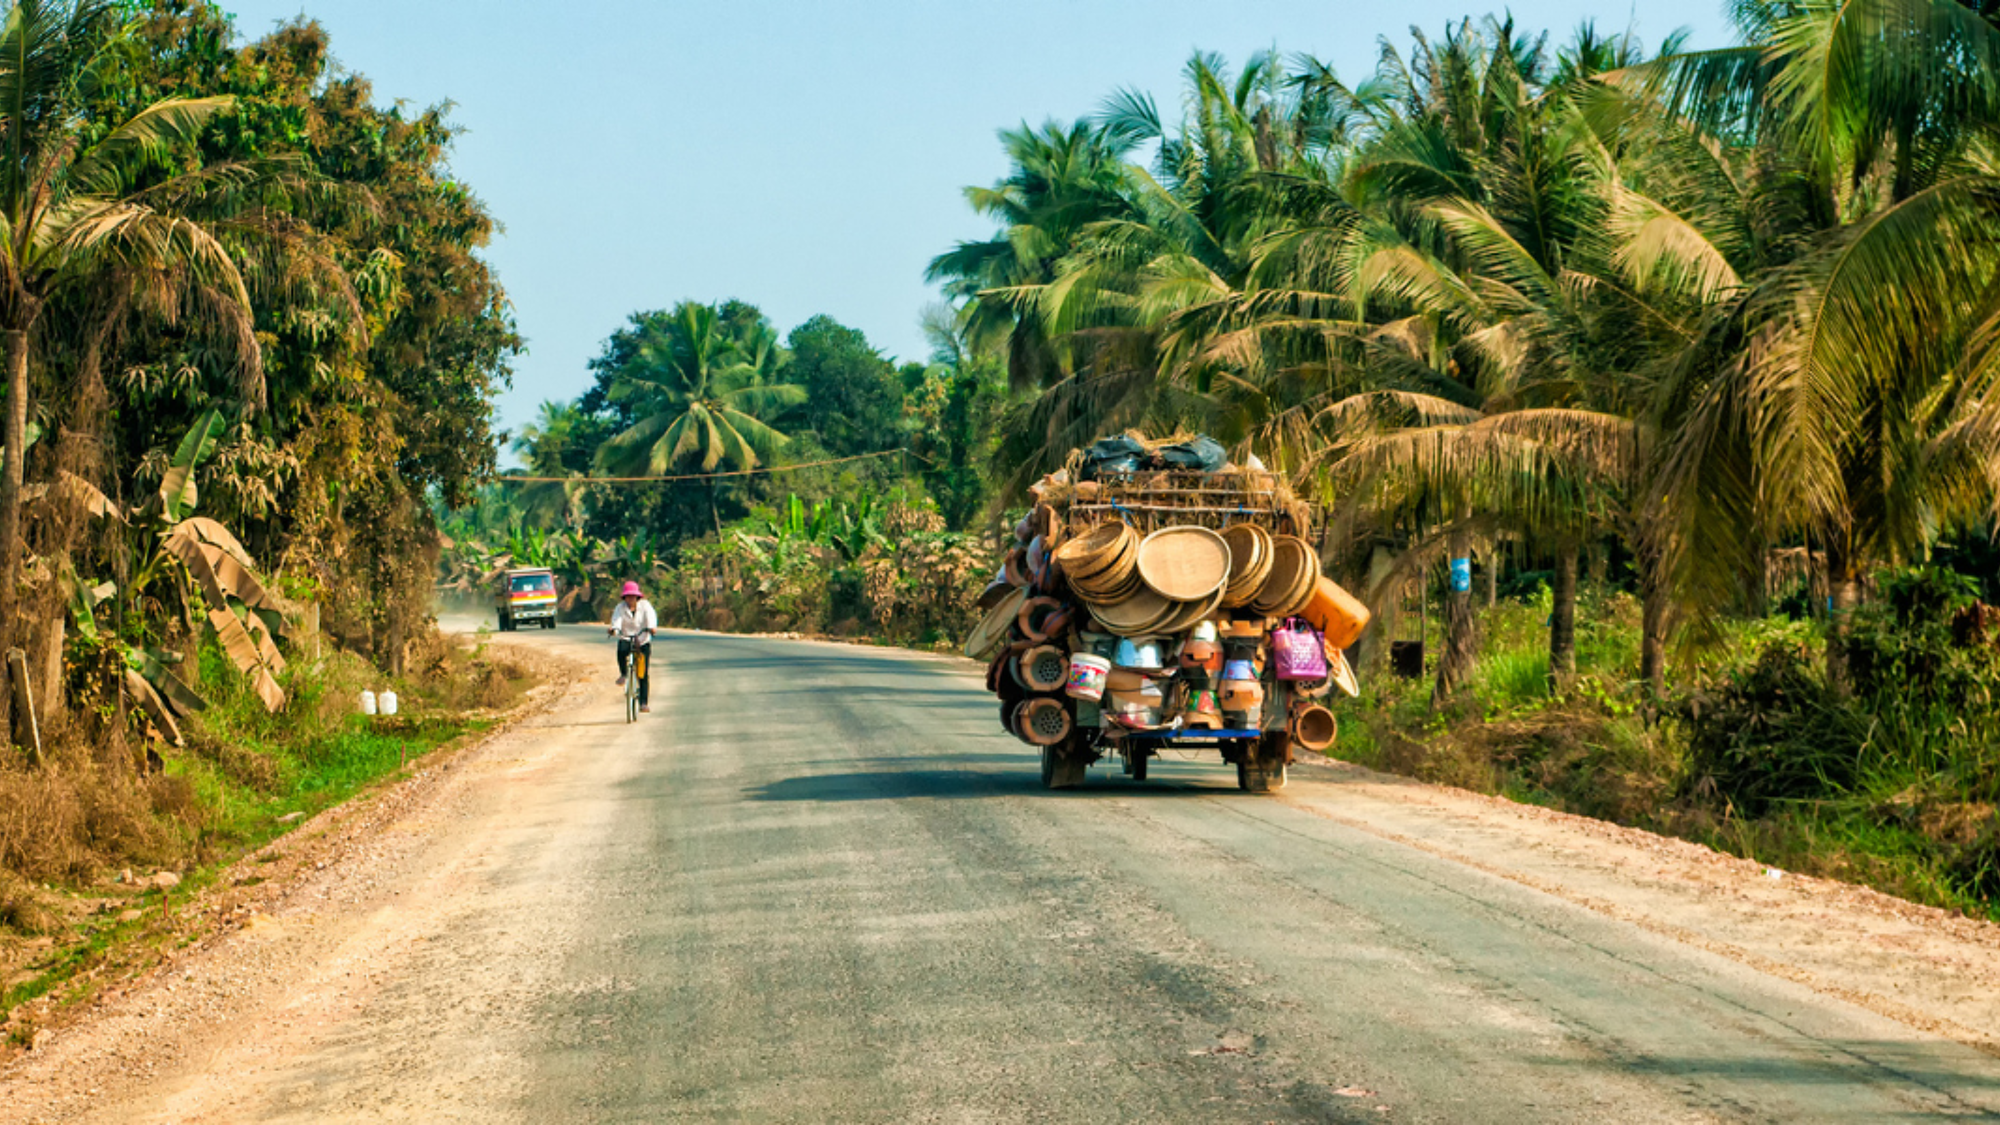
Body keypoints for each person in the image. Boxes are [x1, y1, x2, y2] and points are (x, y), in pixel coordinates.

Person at [607, 580, 657, 713]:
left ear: (637, 597)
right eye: (628, 597)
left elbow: (651, 618)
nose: (630, 599)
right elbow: (616, 621)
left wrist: (651, 628)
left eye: (633, 597)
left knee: (643, 673)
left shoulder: (645, 606)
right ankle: (623, 673)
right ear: (624, 597)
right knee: (621, 650)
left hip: (642, 639)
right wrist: (614, 629)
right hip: (626, 637)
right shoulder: (620, 608)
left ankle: (643, 703)